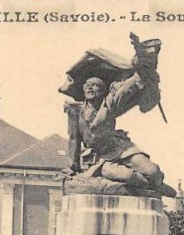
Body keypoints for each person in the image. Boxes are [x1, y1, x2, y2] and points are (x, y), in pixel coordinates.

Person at [64, 35, 176, 197]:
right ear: (83, 89)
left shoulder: (109, 104)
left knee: (153, 170)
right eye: (88, 85)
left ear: (103, 91)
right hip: (98, 158)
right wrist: (72, 165)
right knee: (128, 176)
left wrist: (143, 73)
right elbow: (74, 138)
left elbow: (125, 91)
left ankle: (156, 182)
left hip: (118, 148)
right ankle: (151, 187)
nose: (90, 88)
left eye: (96, 86)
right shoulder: (75, 110)